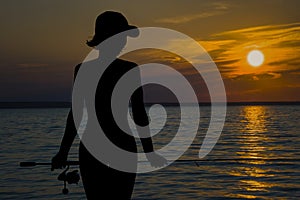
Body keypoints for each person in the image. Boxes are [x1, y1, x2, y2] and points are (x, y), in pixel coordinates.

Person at [51, 11, 166, 199]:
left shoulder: (82, 70)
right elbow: (139, 115)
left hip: (92, 147)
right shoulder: (129, 69)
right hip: (122, 147)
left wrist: (62, 153)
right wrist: (149, 152)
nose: (124, 42)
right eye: (122, 36)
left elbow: (76, 115)